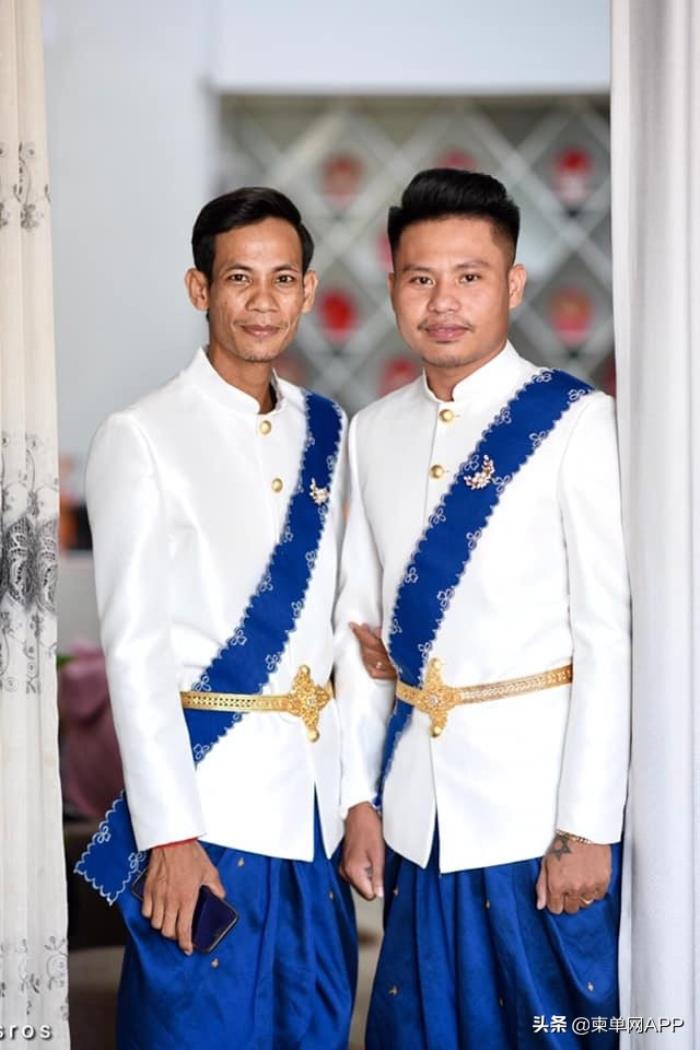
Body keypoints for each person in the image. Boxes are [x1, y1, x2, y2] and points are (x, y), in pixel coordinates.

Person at [336, 168, 630, 1049]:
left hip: (536, 826)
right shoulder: (371, 431)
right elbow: (360, 634)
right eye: (420, 278)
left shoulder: (577, 422)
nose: (444, 302)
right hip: (417, 823)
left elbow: (607, 638)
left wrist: (586, 826)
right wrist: (359, 801)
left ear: (514, 284)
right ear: (394, 287)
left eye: (469, 276)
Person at [76, 187, 356, 1048]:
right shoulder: (142, 435)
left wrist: (355, 801)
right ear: (200, 288)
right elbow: (134, 653)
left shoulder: (329, 428)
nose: (263, 301)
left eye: (282, 279)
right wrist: (170, 836)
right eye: (240, 278)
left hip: (312, 818)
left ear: (308, 290)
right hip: (208, 819)